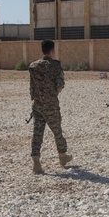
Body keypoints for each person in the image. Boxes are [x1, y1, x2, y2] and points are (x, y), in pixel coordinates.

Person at [28, 40, 72, 174]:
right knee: (57, 131)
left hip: (37, 104)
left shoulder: (33, 66)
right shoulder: (55, 65)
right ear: (52, 50)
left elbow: (32, 87)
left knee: (37, 133)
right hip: (51, 104)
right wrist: (52, 93)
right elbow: (60, 84)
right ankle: (62, 157)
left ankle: (36, 163)